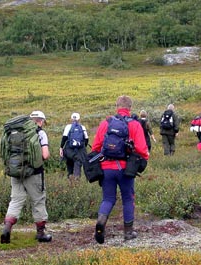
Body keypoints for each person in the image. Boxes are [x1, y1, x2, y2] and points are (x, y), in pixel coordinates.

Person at [91, 95, 149, 244]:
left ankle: (101, 224)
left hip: (106, 168)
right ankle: (128, 233)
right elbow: (142, 150)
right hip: (125, 169)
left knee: (108, 199)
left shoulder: (106, 123)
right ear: (130, 108)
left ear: (116, 106)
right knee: (128, 199)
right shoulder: (135, 125)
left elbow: (96, 147)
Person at [1, 111, 52, 244]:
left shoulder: (14, 133)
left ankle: (6, 229)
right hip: (34, 173)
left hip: (16, 172)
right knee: (38, 200)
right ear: (40, 121)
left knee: (16, 200)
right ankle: (41, 233)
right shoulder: (40, 133)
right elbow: (45, 155)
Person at [59, 112, 89, 180]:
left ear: (71, 119)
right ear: (79, 119)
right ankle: (76, 181)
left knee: (69, 164)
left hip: (69, 150)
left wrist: (61, 148)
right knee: (77, 165)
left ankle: (70, 179)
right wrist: (83, 147)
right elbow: (86, 139)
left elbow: (64, 138)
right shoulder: (82, 127)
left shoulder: (68, 127)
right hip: (79, 151)